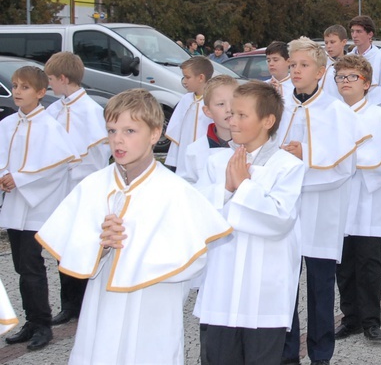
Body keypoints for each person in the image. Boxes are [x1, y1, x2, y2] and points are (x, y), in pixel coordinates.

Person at [36, 89, 232, 364]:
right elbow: (69, 248)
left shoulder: (174, 191)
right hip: (102, 304)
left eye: (130, 130)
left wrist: (137, 245)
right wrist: (100, 245)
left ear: (154, 134)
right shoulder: (94, 186)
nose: (118, 139)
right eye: (112, 130)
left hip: (153, 307)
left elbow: (194, 259)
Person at [194, 81, 305, 365]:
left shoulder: (287, 166)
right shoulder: (217, 162)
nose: (232, 121)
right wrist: (226, 190)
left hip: (263, 292)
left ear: (268, 121)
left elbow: (280, 219)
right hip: (223, 286)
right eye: (231, 113)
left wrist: (243, 186)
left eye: (242, 115)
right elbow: (199, 214)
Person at [278, 37, 362, 365]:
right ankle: (286, 353)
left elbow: (346, 165)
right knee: (284, 282)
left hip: (322, 207)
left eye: (304, 65)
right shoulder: (279, 106)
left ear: (321, 71)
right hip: (286, 207)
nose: (296, 70)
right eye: (293, 64)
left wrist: (307, 155)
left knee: (320, 285)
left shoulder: (336, 111)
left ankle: (321, 353)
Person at [333, 55, 381, 342]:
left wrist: (359, 163)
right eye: (340, 77)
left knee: (368, 261)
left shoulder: (379, 116)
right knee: (342, 263)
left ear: (366, 83)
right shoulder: (332, 115)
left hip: (367, 198)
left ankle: (370, 321)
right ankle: (350, 318)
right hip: (340, 198)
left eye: (351, 77)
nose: (345, 82)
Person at [0, 66, 79, 351]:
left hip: (37, 207)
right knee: (21, 266)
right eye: (16, 86)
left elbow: (58, 165)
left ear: (41, 93)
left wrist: (19, 178)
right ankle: (31, 321)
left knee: (33, 266)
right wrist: (3, 175)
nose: (18, 92)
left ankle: (42, 324)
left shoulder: (49, 126)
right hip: (15, 204)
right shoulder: (8, 124)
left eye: (25, 87)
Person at [44, 52, 110, 326]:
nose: (49, 86)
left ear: (63, 78)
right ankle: (68, 303)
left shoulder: (91, 110)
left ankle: (85, 301)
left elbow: (101, 150)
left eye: (50, 80)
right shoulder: (54, 109)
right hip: (60, 189)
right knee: (63, 245)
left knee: (85, 243)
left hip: (84, 186)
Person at [178, 75, 238, 184]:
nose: (229, 109)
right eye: (221, 104)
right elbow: (186, 188)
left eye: (233, 102)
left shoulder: (253, 146)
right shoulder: (194, 151)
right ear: (207, 111)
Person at [164, 56, 213, 172]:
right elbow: (176, 130)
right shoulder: (185, 100)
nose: (184, 81)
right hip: (184, 154)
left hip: (205, 155)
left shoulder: (213, 101)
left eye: (187, 77)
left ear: (201, 77)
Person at [348, 15, 381, 107]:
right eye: (352, 31)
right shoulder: (347, 58)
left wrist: (368, 106)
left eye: (359, 31)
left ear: (370, 34)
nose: (354, 35)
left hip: (373, 109)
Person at [320, 24, 349, 101]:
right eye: (326, 43)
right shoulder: (321, 64)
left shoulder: (352, 65)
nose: (328, 46)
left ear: (344, 42)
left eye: (332, 42)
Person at [265, 40, 294, 105]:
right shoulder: (263, 86)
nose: (271, 64)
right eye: (268, 60)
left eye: (275, 60)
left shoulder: (296, 86)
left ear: (288, 61)